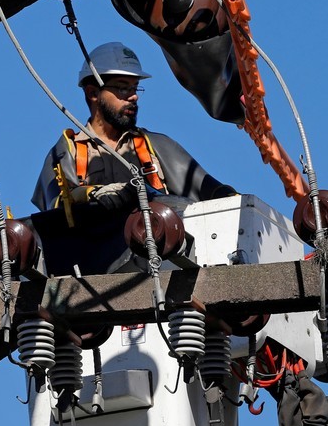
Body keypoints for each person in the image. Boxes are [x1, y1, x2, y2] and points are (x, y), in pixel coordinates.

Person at [30, 41, 235, 274]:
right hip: (92, 279)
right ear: (93, 93)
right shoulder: (68, 151)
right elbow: (55, 213)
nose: (133, 97)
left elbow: (210, 191)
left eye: (135, 88)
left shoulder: (154, 146)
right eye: (123, 88)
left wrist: (238, 202)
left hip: (159, 266)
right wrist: (89, 194)